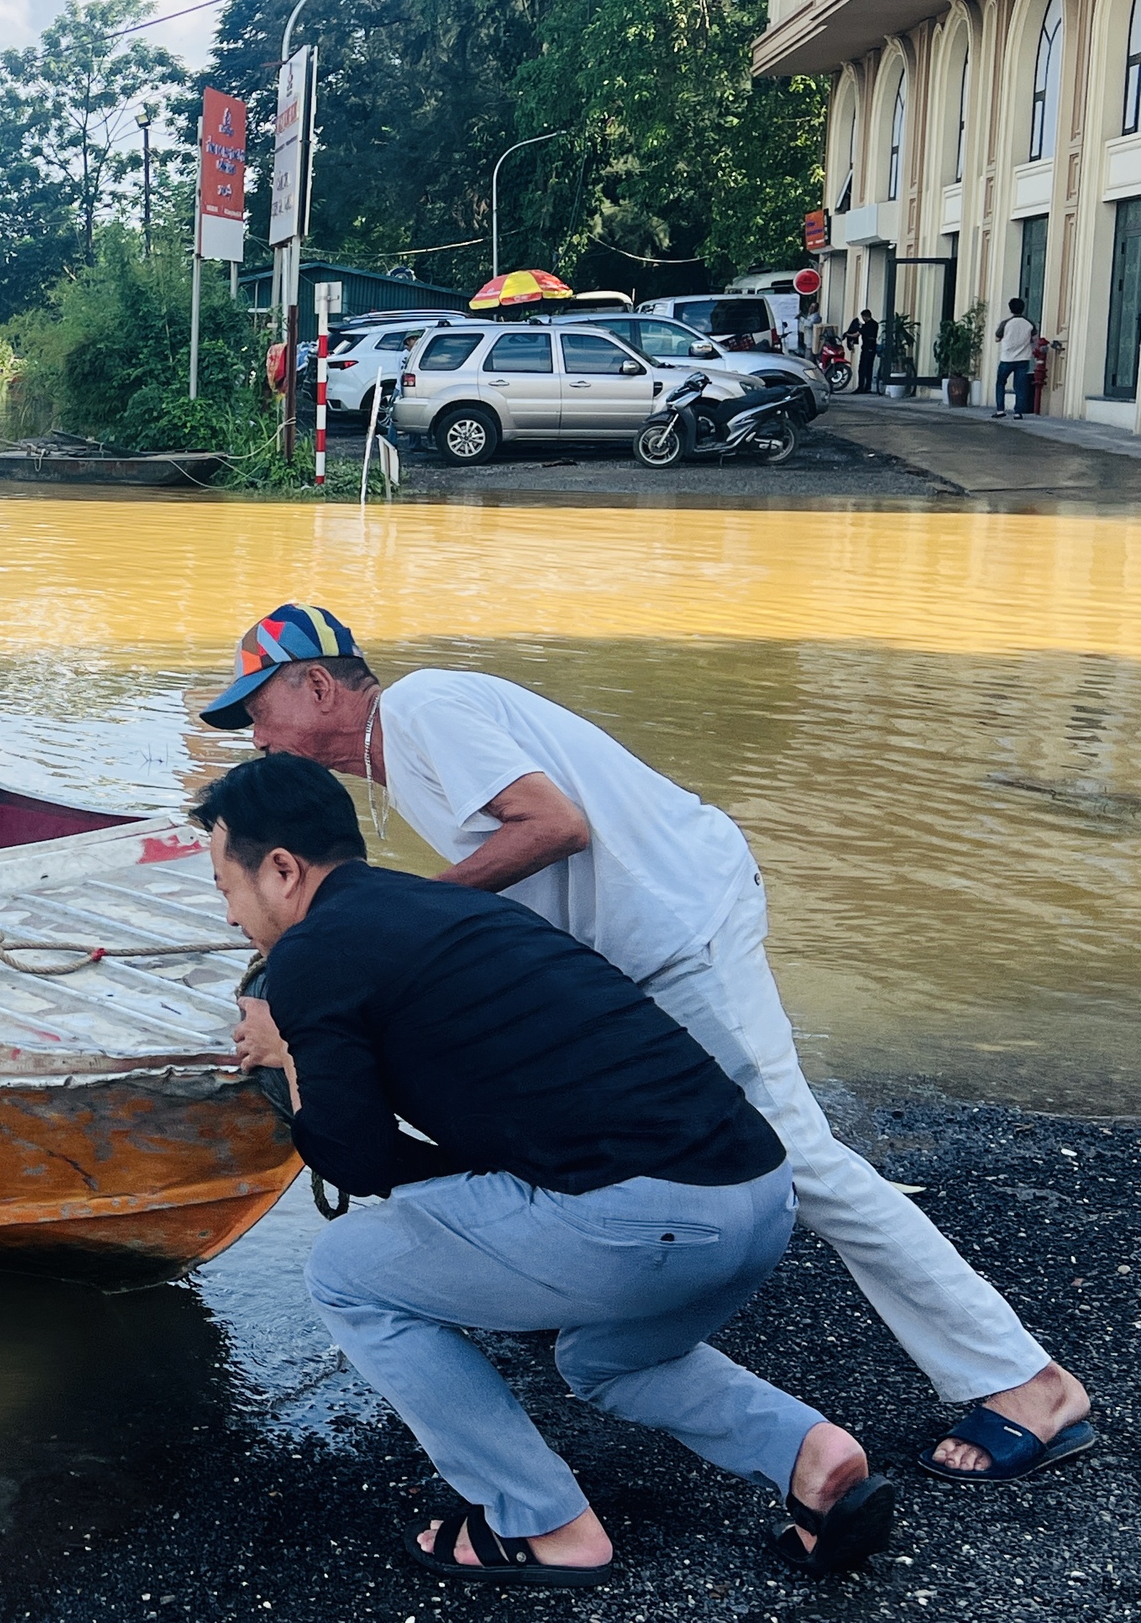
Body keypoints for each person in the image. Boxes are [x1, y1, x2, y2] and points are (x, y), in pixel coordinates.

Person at [203, 604, 1096, 1487]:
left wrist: (386, 926)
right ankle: (611, 1286)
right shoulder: (403, 755)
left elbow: (553, 825)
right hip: (643, 951)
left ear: (318, 684)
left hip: (682, 931)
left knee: (804, 1164)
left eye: (257, 711)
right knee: (718, 1148)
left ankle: (1025, 1381)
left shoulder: (424, 708)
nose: (255, 737)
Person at [196, 753, 895, 1585]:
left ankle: (542, 1524)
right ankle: (811, 1458)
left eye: (225, 887)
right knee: (603, 1360)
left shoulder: (312, 955)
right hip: (758, 1195)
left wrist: (287, 1049)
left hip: (651, 1222)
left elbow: (352, 1158)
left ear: (281, 871)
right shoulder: (447, 908)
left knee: (348, 1273)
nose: (230, 915)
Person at [993, 297, 1037, 418]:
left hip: (1007, 359)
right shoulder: (1029, 324)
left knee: (1000, 383)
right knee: (1020, 386)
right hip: (1023, 359)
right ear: (1023, 309)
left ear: (1010, 309)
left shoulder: (1005, 323)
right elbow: (1034, 340)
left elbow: (997, 338)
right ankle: (1018, 412)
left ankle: (1000, 410)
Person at [852, 308, 880, 393]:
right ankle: (868, 387)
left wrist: (847, 334)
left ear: (865, 316)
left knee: (862, 368)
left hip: (866, 348)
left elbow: (856, 335)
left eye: (863, 317)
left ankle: (861, 387)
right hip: (872, 348)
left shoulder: (866, 325)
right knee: (869, 368)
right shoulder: (875, 324)